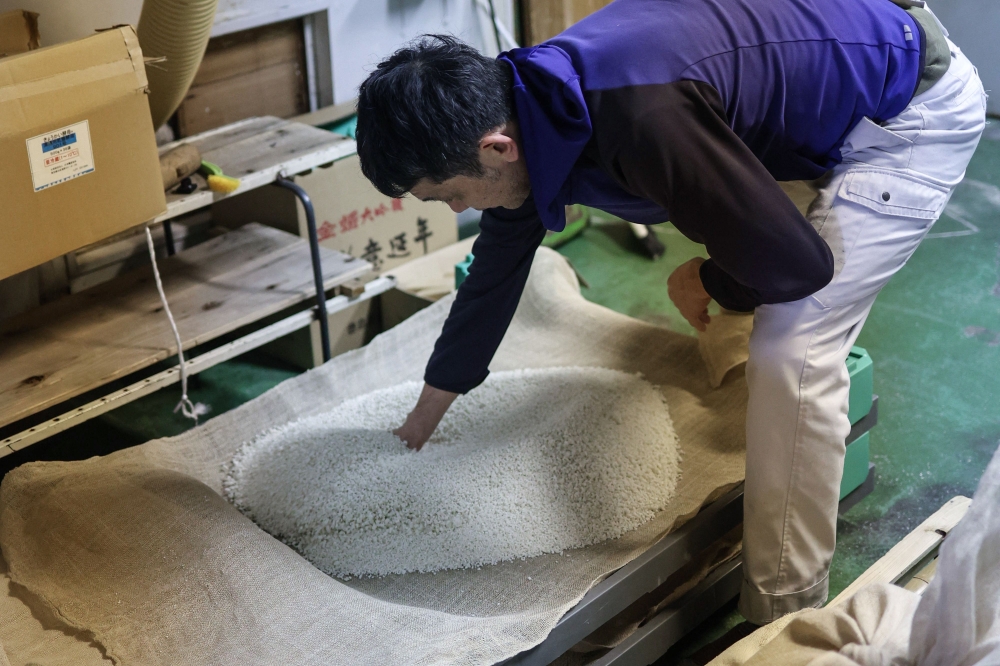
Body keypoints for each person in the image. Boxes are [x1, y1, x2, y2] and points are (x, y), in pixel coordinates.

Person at [354, 0, 986, 629]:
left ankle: (781, 614)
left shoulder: (642, 120)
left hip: (907, 108)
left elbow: (801, 267)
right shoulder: (523, 101)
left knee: (790, 348)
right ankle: (754, 426)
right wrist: (427, 412)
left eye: (453, 196)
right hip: (813, 84)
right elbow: (494, 272)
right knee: (750, 274)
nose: (457, 208)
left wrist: (707, 275)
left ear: (496, 148)